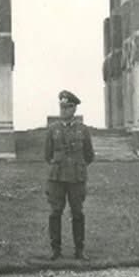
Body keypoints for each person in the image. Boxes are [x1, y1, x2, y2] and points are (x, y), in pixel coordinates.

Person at [45, 89, 94, 260]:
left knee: (77, 213)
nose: (64, 110)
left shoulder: (83, 130)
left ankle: (79, 250)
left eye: (68, 107)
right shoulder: (53, 129)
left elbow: (89, 155)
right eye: (62, 107)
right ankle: (55, 250)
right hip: (57, 177)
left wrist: (77, 166)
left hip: (76, 177)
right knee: (55, 212)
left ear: (74, 109)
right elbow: (47, 155)